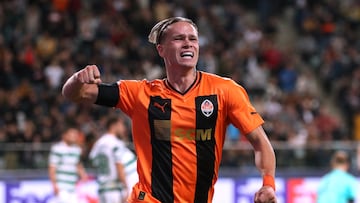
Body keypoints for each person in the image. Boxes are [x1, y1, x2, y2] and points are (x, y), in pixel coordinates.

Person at [62, 16, 277, 203]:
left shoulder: (225, 91)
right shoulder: (140, 94)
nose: (188, 44)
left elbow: (259, 142)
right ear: (161, 49)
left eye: (192, 39)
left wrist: (268, 184)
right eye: (178, 38)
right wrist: (78, 78)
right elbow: (74, 93)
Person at [89, 116, 138, 203]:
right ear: (113, 126)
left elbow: (93, 161)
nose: (124, 128)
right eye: (121, 125)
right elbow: (119, 164)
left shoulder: (99, 143)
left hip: (102, 188)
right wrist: (126, 187)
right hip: (114, 189)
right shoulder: (116, 143)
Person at [48, 127, 88, 203]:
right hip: (61, 187)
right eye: (72, 134)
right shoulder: (57, 148)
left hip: (73, 187)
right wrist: (54, 185)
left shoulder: (77, 150)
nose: (75, 137)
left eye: (76, 135)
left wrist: (83, 174)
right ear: (65, 135)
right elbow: (52, 168)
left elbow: (78, 164)